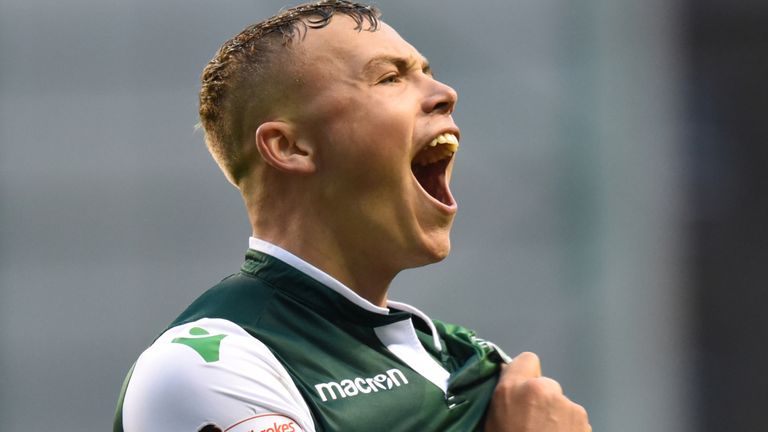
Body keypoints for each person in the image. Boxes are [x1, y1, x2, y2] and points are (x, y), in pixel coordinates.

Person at [113, 1, 591, 431]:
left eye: (427, 71)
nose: (445, 93)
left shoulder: (466, 363)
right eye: (390, 77)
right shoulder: (211, 364)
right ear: (290, 147)